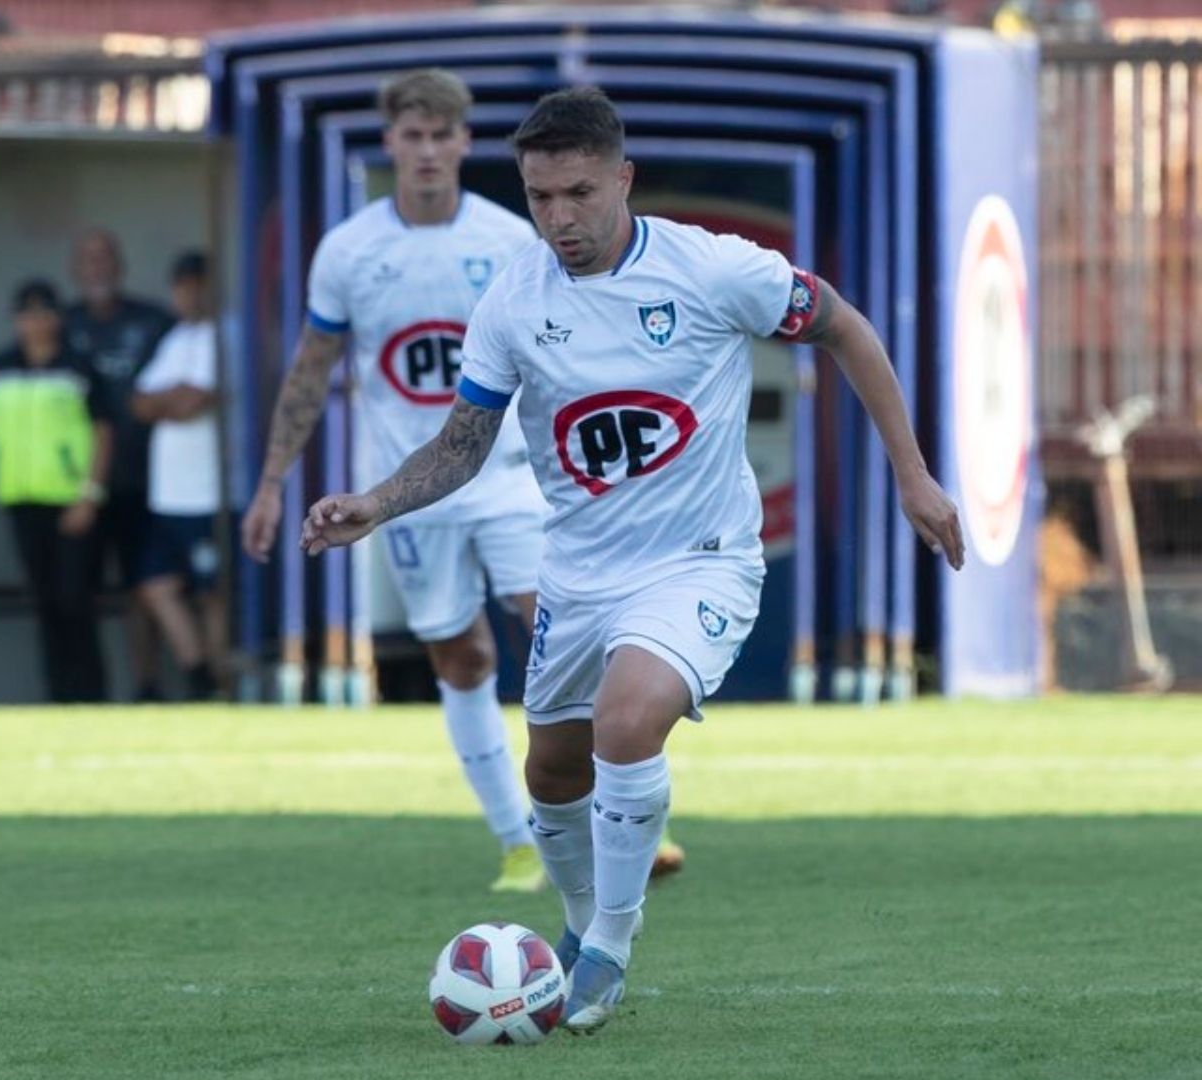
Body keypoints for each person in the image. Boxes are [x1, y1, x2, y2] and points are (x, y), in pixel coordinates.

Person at [299, 87, 966, 1034]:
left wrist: (913, 475)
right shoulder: (514, 300)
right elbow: (462, 443)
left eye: (578, 193)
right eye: (540, 198)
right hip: (578, 571)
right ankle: (574, 931)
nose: (560, 219)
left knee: (628, 720)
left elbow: (844, 326)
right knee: (554, 775)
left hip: (700, 560)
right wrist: (373, 503)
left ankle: (609, 941)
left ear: (624, 178)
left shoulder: (713, 269)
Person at [239, 68, 549, 894]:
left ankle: (597, 813)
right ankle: (517, 840)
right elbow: (311, 372)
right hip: (410, 491)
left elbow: (557, 356)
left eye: (440, 135)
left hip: (511, 475)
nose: (425, 151)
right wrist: (272, 482)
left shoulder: (510, 240)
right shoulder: (350, 250)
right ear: (391, 143)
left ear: (462, 142)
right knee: (461, 656)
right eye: (410, 136)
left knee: (554, 631)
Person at [0, 280, 114, 703]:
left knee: (76, 601)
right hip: (22, 500)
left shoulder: (77, 367)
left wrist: (90, 493)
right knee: (45, 602)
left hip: (72, 501)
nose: (34, 323)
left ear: (57, 318)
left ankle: (91, 694)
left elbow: (106, 431)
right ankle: (59, 695)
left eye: (43, 314)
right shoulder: (2, 367)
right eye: (26, 315)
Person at [65, 229, 174, 700]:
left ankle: (145, 685)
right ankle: (85, 690)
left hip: (143, 479)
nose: (97, 268)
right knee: (76, 593)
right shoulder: (61, 325)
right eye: (88, 260)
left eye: (105, 258)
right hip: (73, 486)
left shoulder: (154, 322)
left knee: (142, 589)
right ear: (75, 270)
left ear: (120, 265)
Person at [130, 252, 225, 701]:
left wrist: (165, 400)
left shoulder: (225, 335)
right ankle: (199, 671)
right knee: (156, 585)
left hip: (210, 490)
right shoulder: (177, 337)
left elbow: (193, 402)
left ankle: (222, 679)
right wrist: (171, 398)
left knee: (212, 592)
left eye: (196, 284)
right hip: (169, 493)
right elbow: (138, 403)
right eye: (181, 285)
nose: (188, 294)